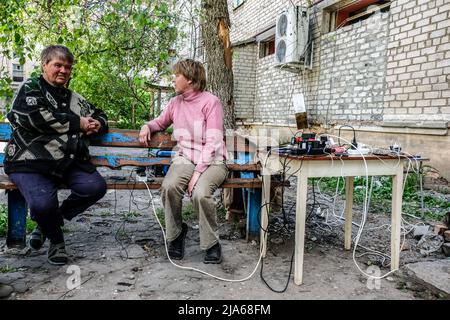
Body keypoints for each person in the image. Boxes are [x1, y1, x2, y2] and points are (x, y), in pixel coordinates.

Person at [4, 45, 108, 265]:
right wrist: (77, 123)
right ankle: (57, 240)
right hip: (28, 161)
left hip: (66, 162)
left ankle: (46, 224)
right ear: (44, 65)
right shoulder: (30, 88)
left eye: (68, 67)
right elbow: (35, 117)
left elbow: (98, 113)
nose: (63, 70)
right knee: (42, 205)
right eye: (58, 65)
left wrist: (97, 123)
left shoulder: (73, 98)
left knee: (95, 187)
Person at [139, 59, 228, 264]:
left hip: (213, 160)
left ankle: (211, 243)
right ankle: (176, 235)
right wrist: (147, 126)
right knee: (169, 186)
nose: (173, 79)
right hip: (185, 156)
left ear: (189, 79)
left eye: (176, 75)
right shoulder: (175, 103)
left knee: (200, 193)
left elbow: (214, 141)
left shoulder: (210, 102)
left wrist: (197, 173)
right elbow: (160, 122)